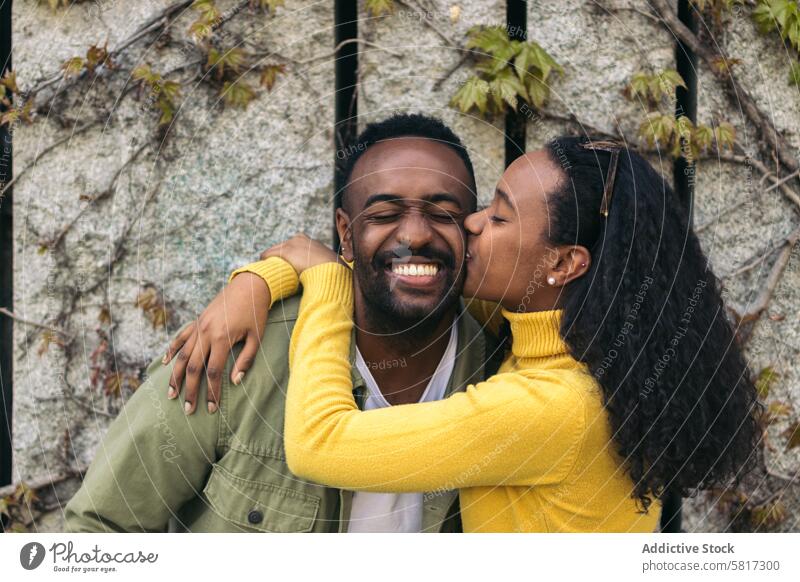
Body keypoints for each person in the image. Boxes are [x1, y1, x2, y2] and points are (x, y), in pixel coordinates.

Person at [227, 137, 762, 532]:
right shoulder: (561, 338)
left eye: (501, 218)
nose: (473, 224)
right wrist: (257, 282)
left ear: (564, 263)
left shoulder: (552, 407)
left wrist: (322, 282)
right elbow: (399, 274)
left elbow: (318, 445)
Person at [63, 114, 504, 533]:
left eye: (443, 213)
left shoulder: (503, 366)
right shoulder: (237, 357)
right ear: (346, 235)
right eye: (385, 215)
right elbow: (99, 529)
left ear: (472, 231)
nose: (415, 236)